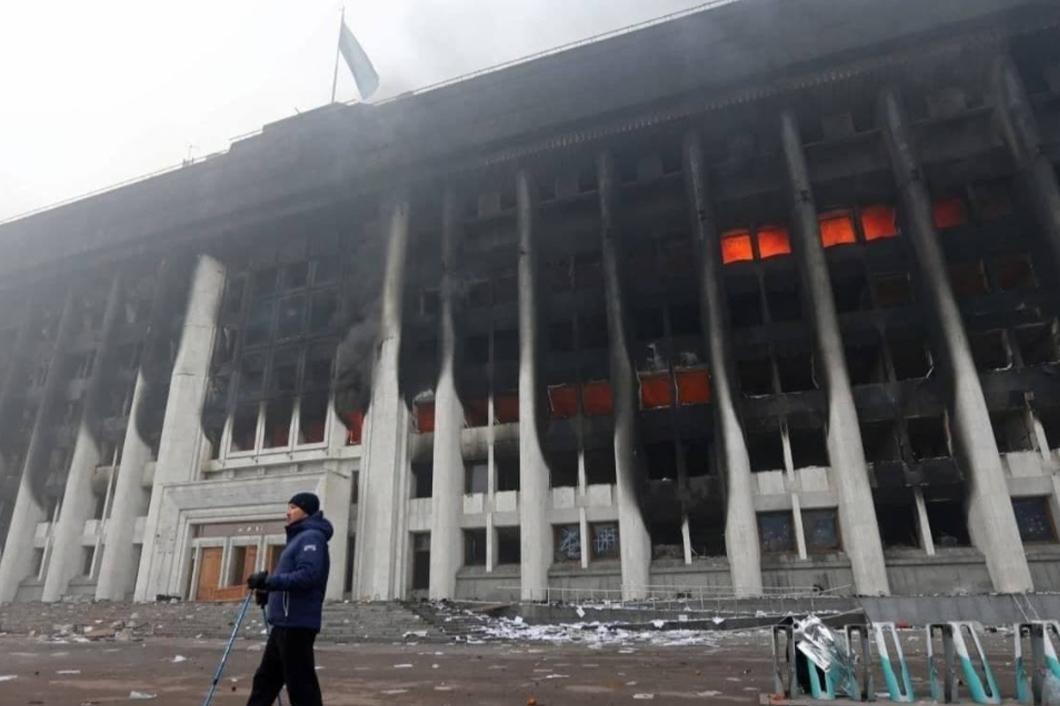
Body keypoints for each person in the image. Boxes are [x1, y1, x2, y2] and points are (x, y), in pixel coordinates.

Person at [245, 492, 333, 706]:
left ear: (307, 511)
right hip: (283, 623)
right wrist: (268, 594)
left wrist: (270, 583)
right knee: (265, 681)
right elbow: (291, 579)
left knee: (301, 685)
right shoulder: (299, 538)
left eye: (293, 507)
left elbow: (308, 576)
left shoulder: (312, 537)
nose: (288, 512)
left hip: (296, 623)